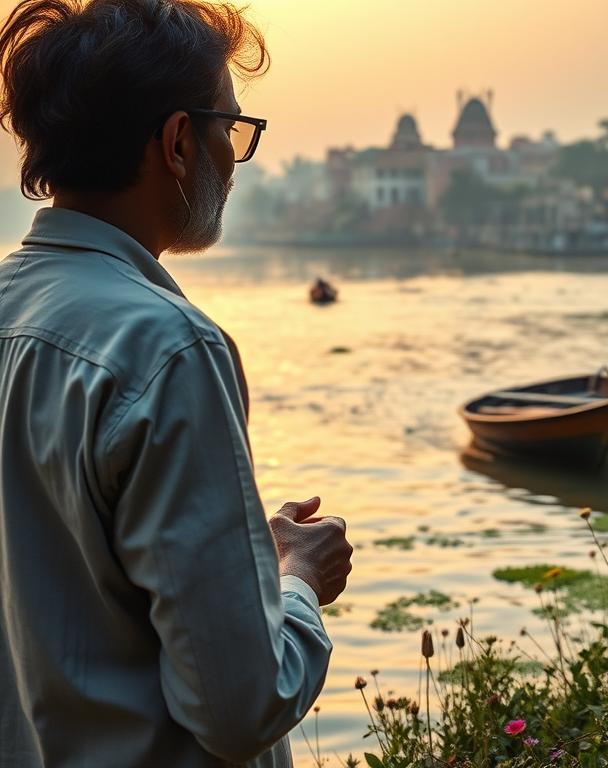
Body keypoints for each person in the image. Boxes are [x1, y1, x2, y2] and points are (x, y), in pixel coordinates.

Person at [0, 2, 352, 766]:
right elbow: (238, 708)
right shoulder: (167, 347)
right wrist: (296, 582)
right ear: (177, 144)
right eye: (230, 129)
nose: (233, 156)